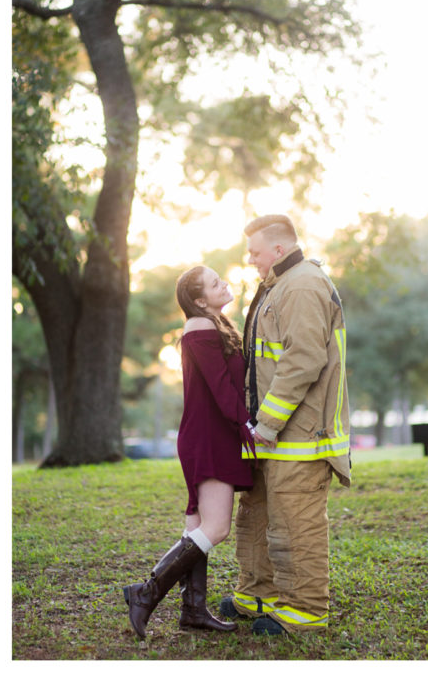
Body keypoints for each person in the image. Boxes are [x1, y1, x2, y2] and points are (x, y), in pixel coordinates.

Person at [221, 214, 352, 635]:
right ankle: (258, 593)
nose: (250, 260)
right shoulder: (279, 285)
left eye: (255, 252)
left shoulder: (302, 285)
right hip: (269, 435)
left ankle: (307, 610)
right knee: (256, 513)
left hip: (300, 436)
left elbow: (302, 362)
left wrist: (268, 425)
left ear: (279, 249)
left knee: (297, 520)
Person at [124, 266, 256, 639]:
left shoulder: (214, 323)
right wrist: (246, 425)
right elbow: (219, 386)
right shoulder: (200, 327)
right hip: (209, 437)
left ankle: (193, 611)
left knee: (197, 528)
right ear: (199, 300)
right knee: (217, 528)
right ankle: (145, 594)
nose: (224, 283)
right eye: (215, 284)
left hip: (208, 434)